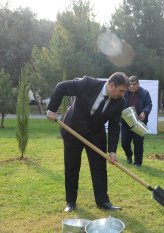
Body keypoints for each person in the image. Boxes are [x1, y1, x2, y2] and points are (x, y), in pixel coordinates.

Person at [46, 72, 129, 212]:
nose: (122, 94)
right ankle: (71, 202)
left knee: (99, 169)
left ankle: (103, 202)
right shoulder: (87, 84)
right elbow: (61, 87)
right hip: (73, 129)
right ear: (112, 85)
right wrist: (52, 109)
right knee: (72, 167)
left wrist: (113, 150)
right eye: (121, 91)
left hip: (96, 135)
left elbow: (115, 125)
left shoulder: (119, 101)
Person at [120, 76, 152, 167]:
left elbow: (149, 105)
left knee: (138, 143)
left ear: (138, 84)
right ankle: (129, 155)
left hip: (139, 122)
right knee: (124, 142)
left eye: (134, 84)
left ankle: (138, 162)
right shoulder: (124, 93)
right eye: (130, 84)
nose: (132, 86)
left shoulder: (145, 93)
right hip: (126, 122)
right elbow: (119, 103)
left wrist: (144, 112)